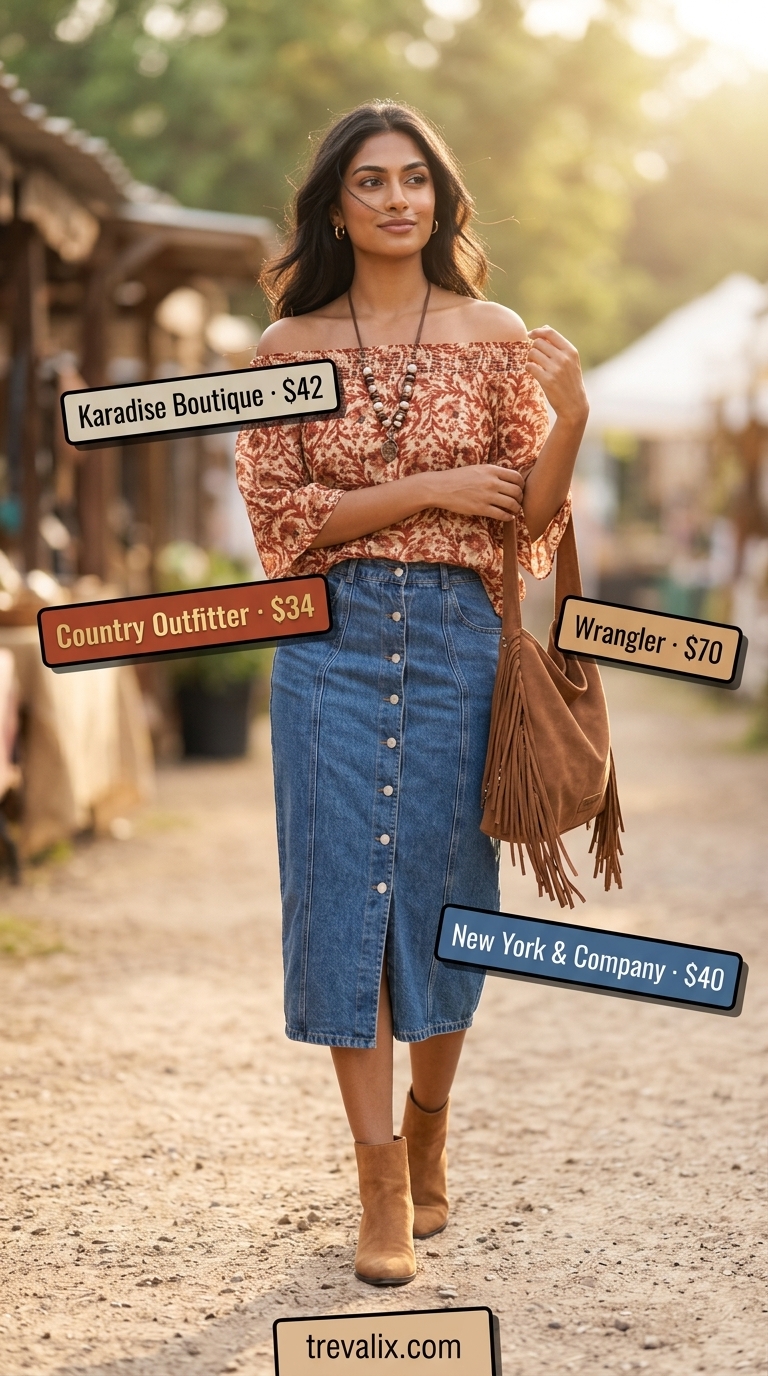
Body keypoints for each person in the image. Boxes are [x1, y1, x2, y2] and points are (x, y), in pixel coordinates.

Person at [235, 102, 588, 1287]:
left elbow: (528, 518)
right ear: (335, 205)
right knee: (343, 900)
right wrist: (435, 481)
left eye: (417, 181)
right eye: (372, 182)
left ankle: (431, 1127)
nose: (397, 200)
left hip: (454, 640)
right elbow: (286, 525)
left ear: (442, 200)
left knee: (443, 898)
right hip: (325, 642)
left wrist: (571, 418)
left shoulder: (492, 335)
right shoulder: (285, 354)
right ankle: (378, 1183)